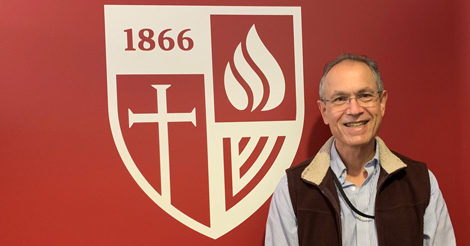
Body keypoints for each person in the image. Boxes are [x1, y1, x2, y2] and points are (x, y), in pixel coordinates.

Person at [265, 53, 456, 246]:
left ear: (382, 103)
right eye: (340, 99)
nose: (354, 110)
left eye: (364, 95)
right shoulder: (292, 190)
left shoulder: (421, 183)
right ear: (324, 111)